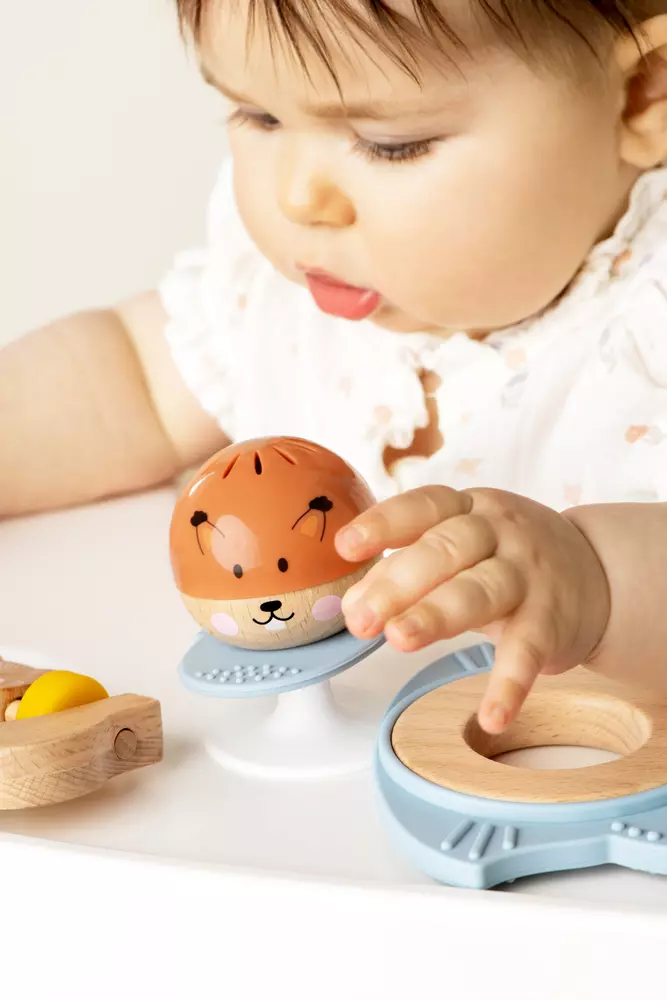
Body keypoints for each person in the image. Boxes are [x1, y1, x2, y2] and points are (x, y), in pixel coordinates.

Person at [4, 0, 667, 732]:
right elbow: (128, 381)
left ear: (642, 92)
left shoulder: (649, 329)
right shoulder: (289, 296)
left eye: (390, 145)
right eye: (259, 116)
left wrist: (596, 582)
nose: (297, 197)